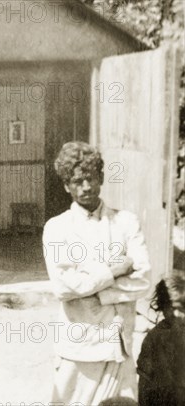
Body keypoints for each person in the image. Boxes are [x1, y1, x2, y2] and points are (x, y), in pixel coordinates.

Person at [42, 141, 151, 405]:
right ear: (67, 185)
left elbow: (143, 280)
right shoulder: (57, 228)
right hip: (79, 348)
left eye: (91, 178)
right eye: (78, 181)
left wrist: (92, 290)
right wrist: (113, 271)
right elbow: (63, 288)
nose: (86, 187)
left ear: (100, 178)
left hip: (118, 347)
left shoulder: (126, 222)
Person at [137, 273, 185, 406]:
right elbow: (144, 383)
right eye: (171, 307)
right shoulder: (154, 337)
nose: (177, 314)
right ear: (162, 307)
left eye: (182, 308)